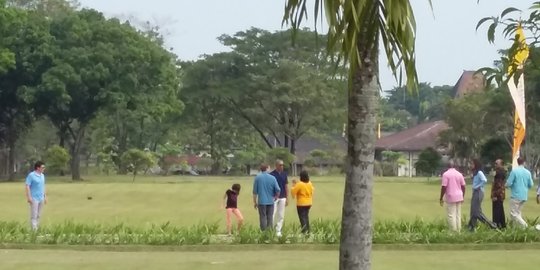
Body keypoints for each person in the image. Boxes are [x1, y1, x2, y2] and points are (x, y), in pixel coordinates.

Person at [468, 159, 497, 231]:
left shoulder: (479, 172)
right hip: (475, 192)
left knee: (476, 212)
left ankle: (491, 225)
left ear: (476, 165)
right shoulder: (475, 173)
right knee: (473, 211)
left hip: (478, 192)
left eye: (472, 164)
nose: (471, 165)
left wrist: (478, 186)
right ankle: (472, 227)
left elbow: (484, 180)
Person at [506, 157, 534, 228]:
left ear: (518, 162)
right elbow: (531, 184)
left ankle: (525, 226)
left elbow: (508, 183)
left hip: (515, 195)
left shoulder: (514, 171)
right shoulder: (528, 172)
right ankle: (519, 229)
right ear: (524, 163)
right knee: (518, 213)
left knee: (513, 214)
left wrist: (506, 186)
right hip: (524, 195)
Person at [439, 160, 466, 232]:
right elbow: (463, 186)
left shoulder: (446, 174)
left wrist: (441, 197)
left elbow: (444, 187)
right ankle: (458, 230)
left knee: (451, 215)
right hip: (459, 196)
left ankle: (453, 231)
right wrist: (462, 195)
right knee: (458, 214)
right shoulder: (459, 174)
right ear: (454, 166)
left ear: (447, 166)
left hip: (451, 196)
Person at [252, 163, 280, 231]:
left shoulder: (257, 178)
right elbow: (278, 189)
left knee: (262, 217)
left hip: (261, 201)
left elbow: (255, 192)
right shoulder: (272, 178)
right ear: (267, 168)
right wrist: (276, 197)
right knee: (270, 217)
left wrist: (255, 202)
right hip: (270, 201)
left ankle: (263, 232)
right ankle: (269, 232)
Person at [25, 161, 47, 231]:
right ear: (38, 168)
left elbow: (43, 186)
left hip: (41, 198)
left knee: (39, 215)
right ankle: (34, 231)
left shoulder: (42, 176)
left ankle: (37, 228)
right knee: (34, 215)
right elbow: (27, 186)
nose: (44, 169)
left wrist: (45, 196)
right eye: (42, 167)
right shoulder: (31, 175)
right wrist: (29, 197)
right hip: (34, 198)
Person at [270, 159, 288, 237]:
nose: (282, 166)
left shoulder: (284, 174)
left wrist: (287, 198)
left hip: (283, 196)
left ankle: (278, 230)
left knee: (281, 214)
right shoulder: (272, 174)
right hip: (274, 197)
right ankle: (270, 230)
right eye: (280, 165)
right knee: (272, 214)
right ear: (276, 165)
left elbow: (286, 186)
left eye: (282, 165)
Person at [491, 159, 507, 229]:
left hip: (498, 195)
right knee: (500, 210)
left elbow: (498, 185)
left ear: (501, 164)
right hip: (500, 194)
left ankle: (496, 225)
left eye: (496, 163)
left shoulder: (499, 173)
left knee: (496, 211)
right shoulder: (502, 172)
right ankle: (502, 225)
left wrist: (494, 195)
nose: (495, 165)